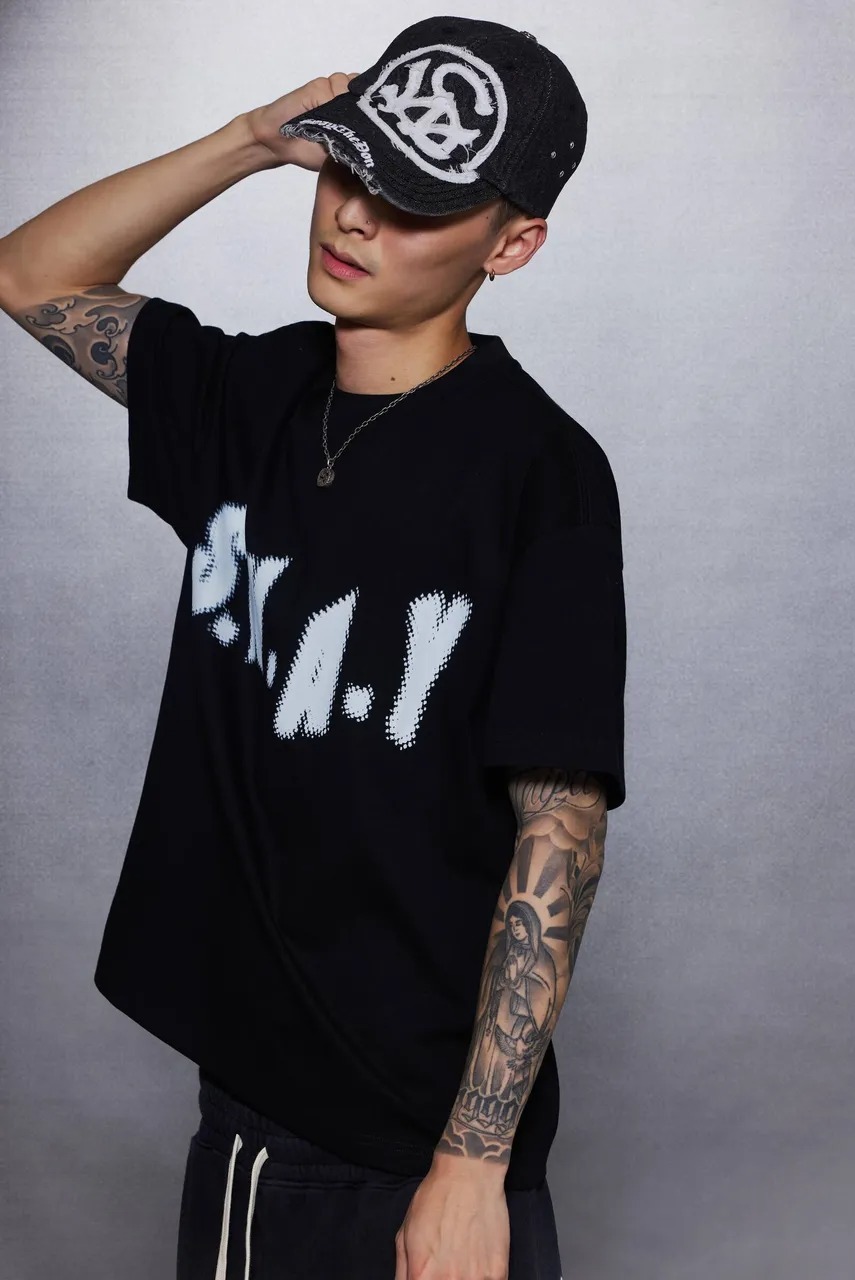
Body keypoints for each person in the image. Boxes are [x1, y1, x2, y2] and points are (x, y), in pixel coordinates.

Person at [0, 15, 626, 1280]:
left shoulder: (540, 473)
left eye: (413, 203)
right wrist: (247, 141)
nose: (352, 216)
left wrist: (472, 1165)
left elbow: (558, 822)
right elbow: (30, 274)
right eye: (351, 167)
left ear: (510, 244)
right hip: (268, 1114)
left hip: (429, 1144)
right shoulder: (249, 398)